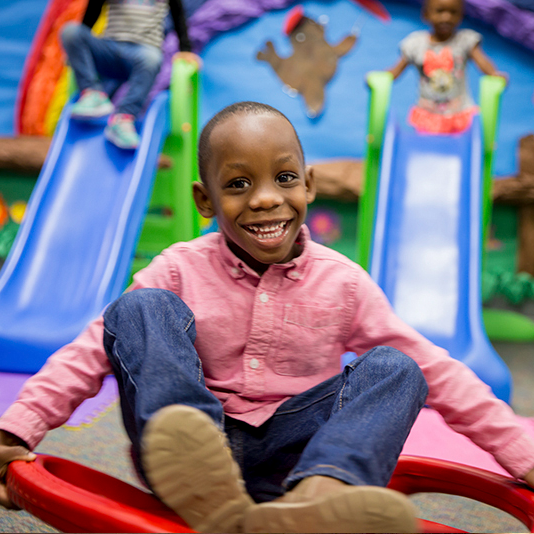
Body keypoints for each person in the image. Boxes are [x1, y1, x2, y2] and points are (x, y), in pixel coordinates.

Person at [1, 101, 534, 533]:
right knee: (138, 308)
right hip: (188, 446)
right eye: (237, 185)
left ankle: (321, 498)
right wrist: (16, 430)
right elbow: (90, 349)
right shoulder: (178, 268)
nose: (264, 200)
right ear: (204, 200)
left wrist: (521, 453)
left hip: (295, 459)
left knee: (400, 366)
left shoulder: (343, 281)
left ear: (308, 186)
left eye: (283, 178)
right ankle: (204, 483)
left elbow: (440, 372)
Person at [60, 0, 195, 150]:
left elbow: (178, 15)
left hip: (142, 53)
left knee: (152, 58)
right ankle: (93, 94)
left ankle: (123, 118)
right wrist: (77, 50)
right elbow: (92, 12)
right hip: (111, 49)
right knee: (71, 32)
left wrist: (186, 50)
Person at [387, 0, 506, 134]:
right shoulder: (416, 43)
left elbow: (482, 61)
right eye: (440, 11)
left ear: (461, 15)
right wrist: (380, 79)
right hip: (428, 114)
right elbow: (395, 71)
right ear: (426, 14)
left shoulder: (464, 40)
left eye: (453, 12)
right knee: (427, 149)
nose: (446, 17)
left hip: (459, 112)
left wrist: (494, 73)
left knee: (461, 148)